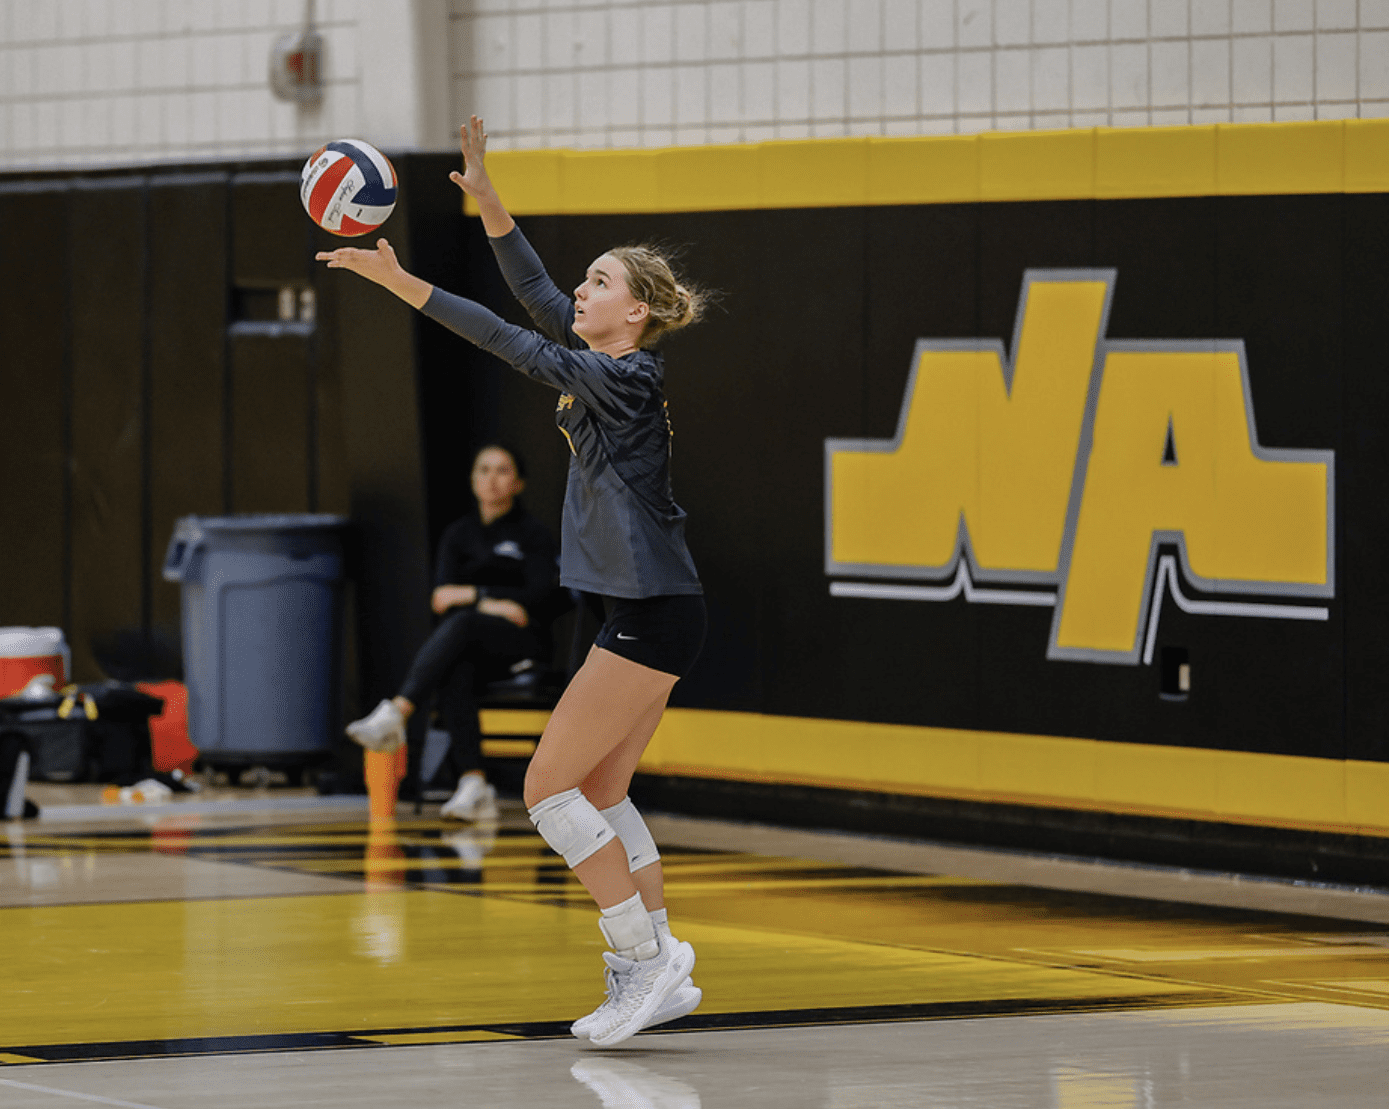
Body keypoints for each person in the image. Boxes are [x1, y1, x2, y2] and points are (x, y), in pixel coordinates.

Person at [317, 115, 709, 1047]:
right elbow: (533, 293)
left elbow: (512, 338)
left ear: (638, 311)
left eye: (600, 282)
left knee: (546, 792)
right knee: (604, 794)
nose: (581, 288)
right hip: (650, 608)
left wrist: (398, 279)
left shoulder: (626, 375)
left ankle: (638, 966)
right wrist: (490, 202)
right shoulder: (602, 361)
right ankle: (663, 958)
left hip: (650, 612)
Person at [345, 442, 562, 822]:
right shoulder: (459, 535)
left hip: (523, 645)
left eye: (502, 471)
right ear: (473, 480)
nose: (492, 480)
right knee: (456, 663)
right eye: (484, 470)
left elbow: (541, 595)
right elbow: (441, 597)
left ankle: (398, 711)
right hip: (473, 645)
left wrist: (475, 597)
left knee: (461, 625)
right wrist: (493, 601)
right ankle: (474, 783)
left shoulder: (534, 535)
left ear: (519, 483)